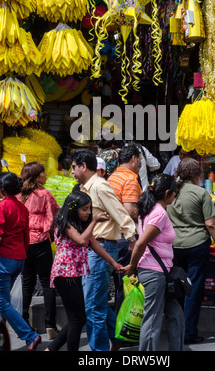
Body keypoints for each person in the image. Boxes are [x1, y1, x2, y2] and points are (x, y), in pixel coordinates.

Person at [70, 148, 136, 351]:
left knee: (93, 307)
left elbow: (121, 213)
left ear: (83, 166)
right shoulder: (85, 188)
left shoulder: (100, 186)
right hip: (91, 249)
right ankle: (116, 338)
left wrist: (132, 238)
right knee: (94, 302)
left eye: (74, 167)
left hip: (102, 249)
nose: (71, 171)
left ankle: (98, 351)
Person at [45, 191, 123, 351]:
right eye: (84, 209)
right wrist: (94, 220)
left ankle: (51, 349)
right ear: (74, 209)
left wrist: (114, 263)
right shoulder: (63, 222)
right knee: (77, 319)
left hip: (76, 273)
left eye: (89, 209)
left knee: (78, 317)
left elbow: (93, 244)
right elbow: (81, 241)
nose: (88, 212)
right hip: (65, 274)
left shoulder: (80, 224)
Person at [0, 172, 41, 351]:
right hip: (18, 258)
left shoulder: (2, 207)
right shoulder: (21, 207)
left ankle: (29, 336)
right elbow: (25, 237)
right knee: (0, 303)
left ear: (2, 188)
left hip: (4, 259)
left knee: (2, 303)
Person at [123, 173, 185, 351]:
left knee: (176, 314)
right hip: (154, 271)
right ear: (167, 193)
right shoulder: (159, 213)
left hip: (159, 271)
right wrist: (132, 267)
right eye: (175, 193)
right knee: (153, 319)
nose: (175, 196)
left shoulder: (148, 209)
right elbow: (141, 243)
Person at [166, 158, 215, 345]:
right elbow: (211, 224)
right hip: (197, 245)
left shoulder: (169, 192)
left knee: (178, 288)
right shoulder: (200, 193)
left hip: (174, 245)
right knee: (194, 288)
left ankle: (176, 331)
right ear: (196, 174)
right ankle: (189, 333)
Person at [17, 162, 60, 340]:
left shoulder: (19, 196)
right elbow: (54, 217)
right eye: (42, 173)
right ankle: (50, 325)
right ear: (37, 177)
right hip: (41, 243)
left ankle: (24, 323)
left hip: (24, 243)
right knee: (47, 283)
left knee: (27, 284)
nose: (45, 175)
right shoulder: (44, 194)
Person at [107, 143, 142, 312]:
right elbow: (130, 210)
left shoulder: (112, 177)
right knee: (126, 283)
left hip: (112, 235)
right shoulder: (130, 180)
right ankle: (122, 327)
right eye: (140, 160)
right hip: (124, 237)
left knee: (118, 282)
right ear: (134, 159)